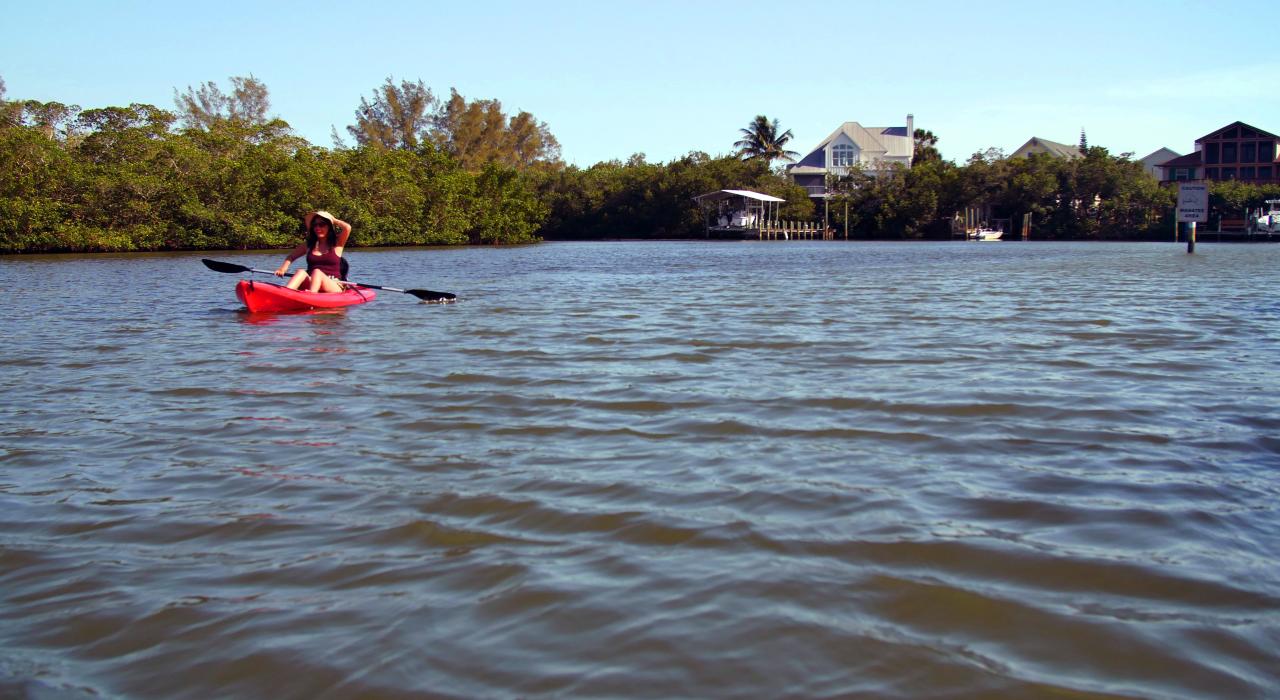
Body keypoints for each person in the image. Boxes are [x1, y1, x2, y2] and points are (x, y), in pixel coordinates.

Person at [275, 211, 352, 293]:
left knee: (317, 272)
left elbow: (347, 228)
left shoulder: (337, 243)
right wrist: (283, 268)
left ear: (329, 226)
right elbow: (291, 257)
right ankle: (286, 293)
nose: (317, 228)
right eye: (315, 225)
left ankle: (312, 295)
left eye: (321, 224)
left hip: (333, 284)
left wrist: (333, 220)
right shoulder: (308, 245)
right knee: (300, 271)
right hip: (312, 281)